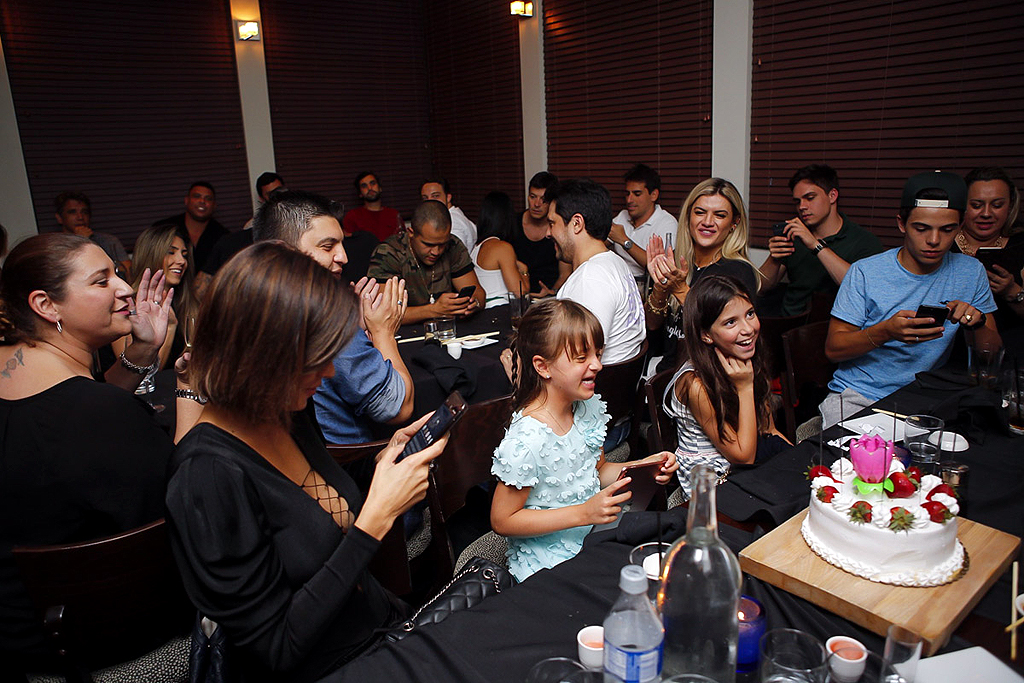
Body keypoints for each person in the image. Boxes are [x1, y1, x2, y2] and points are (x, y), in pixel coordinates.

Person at [165, 242, 447, 682]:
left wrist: (385, 458)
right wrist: (373, 523)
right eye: (316, 360)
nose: (330, 373)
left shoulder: (286, 411)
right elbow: (277, 647)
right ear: (263, 358)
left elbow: (316, 492)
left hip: (377, 630)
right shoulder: (206, 476)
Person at [0, 233, 200, 670]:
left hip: (23, 636)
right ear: (45, 305)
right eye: (101, 280)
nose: (125, 288)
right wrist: (190, 388)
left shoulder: (28, 379)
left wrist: (143, 349)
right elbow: (189, 491)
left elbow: (67, 412)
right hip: (116, 648)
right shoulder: (102, 415)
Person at [490, 299, 676, 581]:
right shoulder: (526, 441)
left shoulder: (586, 409)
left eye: (598, 354)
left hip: (593, 539)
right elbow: (503, 520)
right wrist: (584, 513)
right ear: (543, 366)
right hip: (548, 565)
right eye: (582, 358)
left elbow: (597, 471)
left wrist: (644, 465)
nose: (598, 365)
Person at [822, 170, 1001, 427]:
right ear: (901, 224)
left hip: (926, 395)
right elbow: (833, 349)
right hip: (861, 395)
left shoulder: (970, 272)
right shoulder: (865, 272)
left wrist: (977, 322)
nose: (934, 240)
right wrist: (886, 331)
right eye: (921, 228)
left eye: (947, 230)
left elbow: (991, 354)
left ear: (960, 228)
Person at [252, 190, 414, 443]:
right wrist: (383, 332)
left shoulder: (248, 307)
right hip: (346, 466)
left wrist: (356, 330)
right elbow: (397, 407)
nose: (343, 257)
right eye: (328, 247)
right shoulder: (321, 317)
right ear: (281, 251)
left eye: (342, 245)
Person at [665, 275, 790, 500]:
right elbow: (742, 458)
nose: (748, 329)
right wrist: (744, 387)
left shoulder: (746, 356)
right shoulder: (696, 385)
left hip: (749, 452)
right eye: (730, 322)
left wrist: (800, 461)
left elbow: (769, 429)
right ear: (706, 335)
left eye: (750, 314)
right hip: (713, 480)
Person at [645, 178, 761, 373]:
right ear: (688, 217)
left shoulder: (738, 271)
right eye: (700, 212)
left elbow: (726, 336)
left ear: (734, 223)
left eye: (719, 215)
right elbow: (653, 325)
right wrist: (660, 286)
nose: (707, 222)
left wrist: (681, 291)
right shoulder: (678, 262)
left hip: (705, 377)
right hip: (666, 370)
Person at [759, 164, 883, 316]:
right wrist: (774, 257)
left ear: (832, 196)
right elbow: (761, 288)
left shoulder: (863, 241)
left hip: (829, 328)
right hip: (788, 324)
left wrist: (815, 245)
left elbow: (861, 288)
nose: (802, 207)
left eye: (810, 198)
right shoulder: (793, 235)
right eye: (797, 201)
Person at [548, 179, 646, 365]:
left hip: (595, 390)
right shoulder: (615, 262)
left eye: (552, 223)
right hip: (616, 387)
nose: (547, 232)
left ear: (576, 223)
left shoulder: (591, 279)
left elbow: (576, 360)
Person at [367, 200, 485, 323]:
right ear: (411, 233)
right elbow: (383, 313)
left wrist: (473, 304)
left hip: (446, 330)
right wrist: (434, 310)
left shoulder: (453, 245)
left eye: (442, 244)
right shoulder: (388, 253)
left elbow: (480, 295)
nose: (436, 251)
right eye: (428, 244)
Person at [952, 167, 1024, 358]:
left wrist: (1013, 292)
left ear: (1010, 206)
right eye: (976, 205)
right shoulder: (941, 243)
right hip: (947, 356)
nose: (986, 213)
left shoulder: (1020, 246)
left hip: (1010, 356)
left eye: (997, 205)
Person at [113, 223, 198, 369]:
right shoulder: (128, 306)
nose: (182, 261)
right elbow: (138, 374)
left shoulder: (187, 302)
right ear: (151, 255)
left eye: (184, 255)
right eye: (171, 252)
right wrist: (170, 327)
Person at [194, 171, 287, 295]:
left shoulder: (299, 236)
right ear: (262, 199)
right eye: (272, 195)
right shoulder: (235, 242)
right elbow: (199, 290)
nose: (278, 199)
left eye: (280, 192)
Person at [608, 164, 678, 282]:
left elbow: (660, 267)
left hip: (645, 285)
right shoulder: (622, 216)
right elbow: (599, 241)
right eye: (627, 194)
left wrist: (625, 241)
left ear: (653, 195)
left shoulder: (667, 223)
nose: (629, 200)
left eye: (637, 194)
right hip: (617, 280)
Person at [512, 171, 569, 297]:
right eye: (532, 197)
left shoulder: (559, 228)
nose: (537, 204)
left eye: (543, 199)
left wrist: (551, 293)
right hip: (517, 296)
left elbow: (564, 274)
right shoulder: (512, 224)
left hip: (549, 299)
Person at [471, 191, 530, 307]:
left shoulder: (476, 248)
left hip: (483, 312)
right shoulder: (502, 248)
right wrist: (524, 272)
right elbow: (520, 292)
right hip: (500, 310)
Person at [153, 181, 228, 272]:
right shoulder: (163, 228)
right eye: (197, 196)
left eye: (208, 198)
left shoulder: (223, 236)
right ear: (186, 200)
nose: (202, 201)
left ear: (214, 205)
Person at [54, 191, 131, 277]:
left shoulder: (109, 241)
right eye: (73, 212)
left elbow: (128, 271)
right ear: (59, 218)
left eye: (84, 212)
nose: (80, 217)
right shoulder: (55, 246)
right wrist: (80, 241)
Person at [343, 171, 404, 242]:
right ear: (360, 193)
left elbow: (403, 241)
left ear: (380, 188)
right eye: (364, 186)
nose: (370, 188)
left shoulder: (394, 214)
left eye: (372, 183)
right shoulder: (352, 216)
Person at [421, 177, 477, 249]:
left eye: (435, 196)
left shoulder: (453, 223)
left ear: (448, 197)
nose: (429, 201)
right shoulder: (453, 216)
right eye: (425, 198)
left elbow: (453, 255)